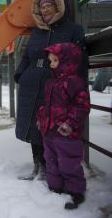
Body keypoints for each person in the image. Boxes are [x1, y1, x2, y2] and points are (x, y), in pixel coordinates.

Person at [14, 0, 87, 180]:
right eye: (42, 6)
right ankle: (38, 167)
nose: (45, 10)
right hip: (31, 83)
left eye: (49, 5)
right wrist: (20, 74)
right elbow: (27, 56)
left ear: (59, 7)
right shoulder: (37, 32)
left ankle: (52, 169)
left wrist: (77, 88)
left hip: (55, 86)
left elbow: (80, 60)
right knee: (33, 125)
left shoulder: (73, 30)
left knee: (49, 128)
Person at [38, 42, 90, 210]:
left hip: (67, 135)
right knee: (51, 161)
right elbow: (47, 105)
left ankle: (76, 192)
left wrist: (70, 123)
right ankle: (55, 188)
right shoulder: (50, 83)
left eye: (55, 60)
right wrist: (41, 117)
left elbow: (82, 106)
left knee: (69, 163)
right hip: (49, 133)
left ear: (67, 61)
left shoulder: (75, 83)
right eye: (50, 61)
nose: (51, 64)